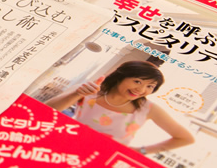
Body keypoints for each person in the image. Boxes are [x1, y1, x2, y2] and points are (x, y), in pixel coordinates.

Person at [45, 61, 194, 153]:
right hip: (65, 148)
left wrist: (140, 151)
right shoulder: (89, 91)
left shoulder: (148, 109)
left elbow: (185, 138)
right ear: (121, 77)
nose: (141, 90)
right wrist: (76, 94)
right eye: (137, 81)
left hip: (104, 160)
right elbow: (46, 110)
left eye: (150, 86)